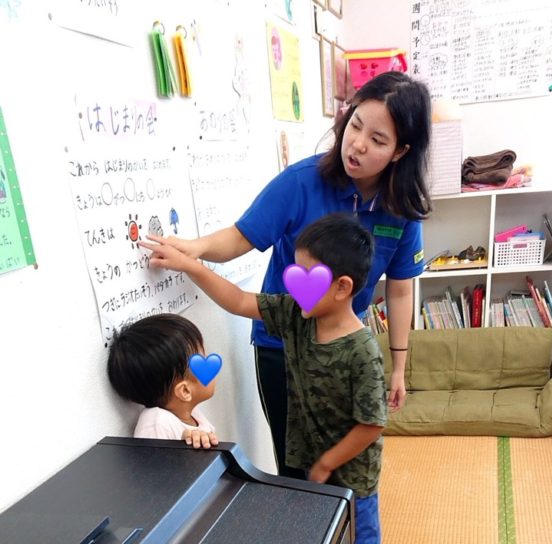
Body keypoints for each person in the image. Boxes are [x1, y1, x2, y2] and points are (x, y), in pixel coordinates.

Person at [143, 71, 431, 478]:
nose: (358, 144)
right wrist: (196, 249)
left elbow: (400, 291)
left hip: (340, 348)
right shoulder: (301, 182)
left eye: (378, 140)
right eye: (355, 126)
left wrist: (399, 367)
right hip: (282, 346)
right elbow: (241, 238)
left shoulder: (401, 209)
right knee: (295, 463)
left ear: (400, 151)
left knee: (344, 459)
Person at [141, 212, 387, 544]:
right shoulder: (298, 314)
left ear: (342, 287)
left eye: (306, 276)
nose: (294, 284)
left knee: (362, 542)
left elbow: (371, 424)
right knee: (333, 529)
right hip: (311, 455)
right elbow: (238, 301)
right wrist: (191, 265)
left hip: (351, 467)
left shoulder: (362, 351)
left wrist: (328, 462)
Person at [106, 313, 219, 447]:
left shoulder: (194, 414)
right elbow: (150, 460)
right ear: (185, 391)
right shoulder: (156, 423)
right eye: (202, 359)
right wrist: (185, 451)